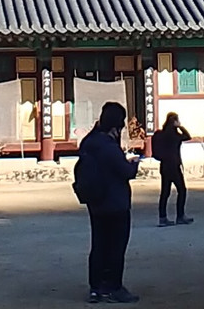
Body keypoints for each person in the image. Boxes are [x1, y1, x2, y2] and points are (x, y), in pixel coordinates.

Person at [79, 102, 141, 303]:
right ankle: (113, 286)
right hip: (116, 202)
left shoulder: (88, 142)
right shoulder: (109, 148)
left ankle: (95, 288)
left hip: (95, 200)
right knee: (116, 246)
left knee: (98, 244)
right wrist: (133, 164)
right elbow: (126, 172)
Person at [152, 112, 193, 226]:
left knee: (165, 192)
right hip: (174, 166)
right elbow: (187, 136)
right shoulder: (174, 135)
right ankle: (180, 216)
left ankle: (162, 217)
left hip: (164, 166)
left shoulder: (161, 134)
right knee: (182, 190)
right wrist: (180, 126)